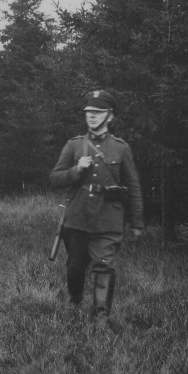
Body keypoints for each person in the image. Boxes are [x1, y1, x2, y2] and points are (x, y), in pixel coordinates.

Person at [48, 90, 144, 328]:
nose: (92, 116)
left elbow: (133, 187)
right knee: (75, 269)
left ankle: (100, 319)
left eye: (98, 112)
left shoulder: (121, 149)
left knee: (103, 266)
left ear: (109, 116)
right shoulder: (74, 145)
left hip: (108, 219)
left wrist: (137, 222)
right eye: (89, 112)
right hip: (77, 219)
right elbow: (54, 178)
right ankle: (75, 301)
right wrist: (76, 170)